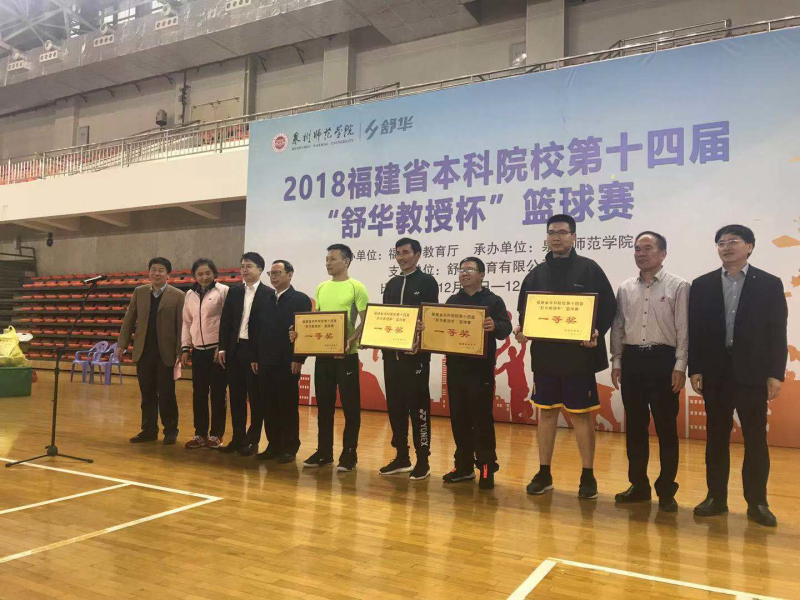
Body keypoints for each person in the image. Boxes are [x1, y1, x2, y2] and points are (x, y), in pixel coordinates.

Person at [689, 225, 787, 527]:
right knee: (716, 438)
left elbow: (777, 332)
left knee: (755, 438)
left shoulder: (769, 284)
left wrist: (775, 373)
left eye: (733, 241)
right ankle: (715, 497)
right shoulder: (702, 284)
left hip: (752, 373)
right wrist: (696, 368)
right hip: (716, 372)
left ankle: (757, 502)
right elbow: (696, 331)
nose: (727, 247)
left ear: (750, 247)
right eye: (721, 242)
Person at [515, 214, 616, 499]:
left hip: (578, 357)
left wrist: (596, 331)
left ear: (573, 236)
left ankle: (588, 475)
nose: (556, 237)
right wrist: (523, 329)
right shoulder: (536, 274)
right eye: (551, 233)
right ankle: (544, 472)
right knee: (546, 413)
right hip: (546, 356)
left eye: (562, 232)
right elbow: (525, 311)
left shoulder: (589, 269)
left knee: (581, 415)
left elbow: (608, 307)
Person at [610, 232, 689, 512]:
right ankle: (639, 485)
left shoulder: (679, 286)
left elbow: (684, 329)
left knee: (666, 428)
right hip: (632, 360)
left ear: (663, 253)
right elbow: (618, 326)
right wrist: (617, 361)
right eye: (637, 249)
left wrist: (680, 365)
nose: (641, 254)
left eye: (647, 248)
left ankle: (666, 490)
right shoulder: (625, 288)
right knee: (635, 427)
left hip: (663, 360)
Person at [441, 257, 512, 490]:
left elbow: (505, 328)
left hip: (480, 370)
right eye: (461, 270)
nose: (464, 273)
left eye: (469, 270)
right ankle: (463, 466)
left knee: (481, 418)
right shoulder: (453, 301)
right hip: (456, 368)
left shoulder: (493, 301)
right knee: (458, 416)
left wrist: (495, 326)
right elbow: (442, 329)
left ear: (481, 275)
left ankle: (486, 465)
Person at [299, 244, 369, 472]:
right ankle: (324, 452)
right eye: (327, 259)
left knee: (350, 407)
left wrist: (351, 339)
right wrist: (301, 334)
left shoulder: (356, 287)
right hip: (324, 356)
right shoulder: (321, 287)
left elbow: (366, 320)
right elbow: (318, 321)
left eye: (333, 259)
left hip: (347, 356)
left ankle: (349, 453)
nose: (328, 263)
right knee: (324, 406)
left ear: (346, 261)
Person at [379, 238, 439, 481]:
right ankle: (402, 456)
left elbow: (431, 318)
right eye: (398, 253)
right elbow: (384, 318)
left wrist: (420, 341)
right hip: (391, 356)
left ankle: (423, 460)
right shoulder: (391, 284)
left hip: (416, 357)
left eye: (406, 252)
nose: (401, 257)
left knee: (418, 408)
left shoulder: (427, 282)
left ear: (417, 255)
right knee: (395, 406)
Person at [116, 257, 185, 445]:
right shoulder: (139, 292)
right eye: (153, 269)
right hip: (144, 351)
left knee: (167, 394)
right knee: (147, 393)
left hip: (166, 353)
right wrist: (121, 344)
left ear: (168, 274)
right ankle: (148, 430)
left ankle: (170, 431)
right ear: (149, 272)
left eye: (161, 270)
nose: (156, 273)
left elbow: (182, 325)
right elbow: (129, 320)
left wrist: (180, 350)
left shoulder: (178, 295)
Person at [250, 260, 312, 464]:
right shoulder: (265, 299)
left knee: (287, 407)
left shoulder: (300, 299)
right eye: (271, 273)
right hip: (265, 361)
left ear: (290, 274)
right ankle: (273, 445)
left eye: (278, 273)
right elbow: (256, 330)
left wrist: (298, 358)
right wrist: (255, 357)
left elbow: (304, 332)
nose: (274, 277)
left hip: (287, 362)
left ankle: (289, 447)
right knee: (268, 406)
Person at [217, 252, 275, 456]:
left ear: (260, 269)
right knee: (236, 397)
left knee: (256, 399)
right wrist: (222, 348)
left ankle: (253, 441)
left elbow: (268, 329)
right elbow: (225, 322)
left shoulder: (269, 294)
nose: (244, 270)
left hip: (255, 352)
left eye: (248, 266)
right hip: (235, 350)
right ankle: (237, 438)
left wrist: (259, 355)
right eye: (242, 266)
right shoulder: (234, 292)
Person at [180, 258, 229, 450]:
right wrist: (185, 347)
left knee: (218, 393)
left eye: (207, 273)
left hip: (217, 351)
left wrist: (222, 346)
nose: (204, 277)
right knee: (199, 394)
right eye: (199, 274)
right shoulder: (189, 294)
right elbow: (187, 322)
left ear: (214, 273)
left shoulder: (223, 291)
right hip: (198, 351)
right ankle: (200, 434)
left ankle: (216, 435)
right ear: (194, 276)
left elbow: (228, 321)